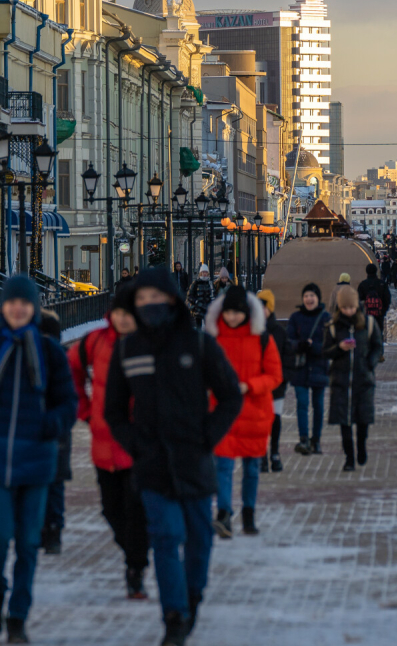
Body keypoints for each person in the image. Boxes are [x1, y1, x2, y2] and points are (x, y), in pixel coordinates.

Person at [104, 268, 242, 646]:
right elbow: (113, 409)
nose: (149, 304)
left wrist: (208, 436)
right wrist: (135, 443)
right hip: (151, 463)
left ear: (171, 300)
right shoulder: (128, 349)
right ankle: (174, 616)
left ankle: (193, 595)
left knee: (199, 537)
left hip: (193, 458)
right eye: (141, 299)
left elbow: (230, 395)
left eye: (156, 297)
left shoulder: (198, 345)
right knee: (165, 537)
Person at [0, 275, 77, 645]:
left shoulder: (50, 352)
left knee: (27, 543)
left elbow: (68, 404)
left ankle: (18, 615)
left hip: (37, 461)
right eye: (11, 303)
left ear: (34, 307)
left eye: (25, 303)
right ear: (4, 307)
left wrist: (49, 426)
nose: (18, 309)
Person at [68, 282, 149, 601]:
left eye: (129, 313)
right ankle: (134, 553)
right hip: (104, 443)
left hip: (140, 445)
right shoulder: (96, 341)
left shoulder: (149, 342)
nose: (124, 319)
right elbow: (71, 370)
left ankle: (135, 569)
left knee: (136, 510)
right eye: (119, 313)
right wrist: (86, 410)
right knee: (111, 509)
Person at [203, 287, 281, 539]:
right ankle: (224, 514)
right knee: (223, 467)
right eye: (228, 312)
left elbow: (275, 376)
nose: (232, 317)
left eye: (237, 312)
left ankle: (249, 513)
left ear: (246, 312)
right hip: (222, 413)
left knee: (252, 468)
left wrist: (250, 386)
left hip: (254, 413)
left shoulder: (261, 338)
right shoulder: (212, 338)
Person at [323, 286, 384, 472]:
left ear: (357, 306)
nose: (348, 311)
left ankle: (361, 447)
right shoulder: (333, 327)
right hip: (341, 381)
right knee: (345, 422)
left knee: (362, 420)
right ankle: (349, 458)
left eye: (351, 307)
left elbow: (377, 346)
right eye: (344, 308)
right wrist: (339, 348)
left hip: (363, 380)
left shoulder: (368, 324)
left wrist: (370, 364)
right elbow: (325, 351)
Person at [37, 310, 71, 556]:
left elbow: (70, 399)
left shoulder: (62, 360)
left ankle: (54, 529)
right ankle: (45, 529)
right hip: (39, 431)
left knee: (55, 484)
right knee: (42, 484)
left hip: (57, 432)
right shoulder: (28, 359)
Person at [284, 284, 330, 456]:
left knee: (318, 405)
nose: (309, 299)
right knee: (302, 404)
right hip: (300, 368)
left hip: (319, 367)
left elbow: (330, 343)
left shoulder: (325, 317)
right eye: (306, 296)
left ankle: (316, 440)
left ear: (318, 298)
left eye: (312, 296)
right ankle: (303, 439)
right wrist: (300, 345)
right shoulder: (296, 317)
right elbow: (289, 342)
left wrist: (314, 347)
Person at [254, 290, 293, 474]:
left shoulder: (279, 332)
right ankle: (262, 456)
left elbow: (287, 355)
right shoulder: (253, 330)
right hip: (258, 386)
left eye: (264, 307)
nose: (262, 311)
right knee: (260, 422)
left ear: (270, 308)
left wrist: (284, 377)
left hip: (277, 384)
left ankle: (275, 453)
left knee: (275, 420)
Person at [357, 263, 391, 334]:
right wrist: (383, 311)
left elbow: (358, 300)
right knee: (378, 333)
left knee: (367, 333)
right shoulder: (381, 284)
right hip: (379, 314)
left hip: (366, 315)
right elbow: (387, 299)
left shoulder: (363, 284)